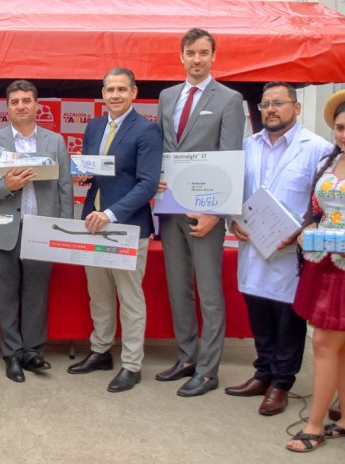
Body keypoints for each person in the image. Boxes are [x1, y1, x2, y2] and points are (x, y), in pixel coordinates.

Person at [285, 88, 345, 452]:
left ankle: (314, 425)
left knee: (326, 343)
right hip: (322, 260)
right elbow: (320, 210)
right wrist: (309, 229)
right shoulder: (328, 163)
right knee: (344, 346)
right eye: (340, 127)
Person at [226, 82, 331, 415]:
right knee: (258, 310)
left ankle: (281, 383)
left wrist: (303, 229)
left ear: (296, 108)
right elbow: (233, 191)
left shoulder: (318, 148)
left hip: (291, 250)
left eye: (278, 103)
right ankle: (262, 372)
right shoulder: (246, 146)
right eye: (265, 104)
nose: (270, 109)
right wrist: (232, 221)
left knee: (288, 318)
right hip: (253, 245)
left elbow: (323, 202)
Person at [155, 28, 245, 397]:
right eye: (190, 52)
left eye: (203, 52)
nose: (196, 59)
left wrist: (219, 214)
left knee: (208, 292)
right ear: (181, 56)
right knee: (178, 289)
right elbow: (163, 147)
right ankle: (187, 357)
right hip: (171, 207)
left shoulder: (229, 98)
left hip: (207, 212)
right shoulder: (166, 96)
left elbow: (231, 158)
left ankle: (209, 371)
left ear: (213, 56)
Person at [67, 68, 162, 393]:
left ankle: (132, 365)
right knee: (100, 294)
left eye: (122, 89)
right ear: (103, 94)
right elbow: (97, 173)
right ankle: (100, 351)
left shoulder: (147, 131)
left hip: (127, 228)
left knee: (130, 297)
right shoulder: (94, 127)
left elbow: (147, 183)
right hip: (92, 224)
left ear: (134, 93)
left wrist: (110, 213)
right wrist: (83, 176)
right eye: (110, 89)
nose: (116, 95)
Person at [0, 80, 74, 383]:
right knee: (6, 296)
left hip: (42, 228)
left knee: (36, 295)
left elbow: (65, 189)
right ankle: (12, 355)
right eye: (15, 101)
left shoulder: (55, 141)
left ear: (36, 105)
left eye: (26, 100)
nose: (21, 105)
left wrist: (64, 231)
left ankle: (32, 351)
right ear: (7, 107)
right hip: (5, 229)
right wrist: (9, 185)